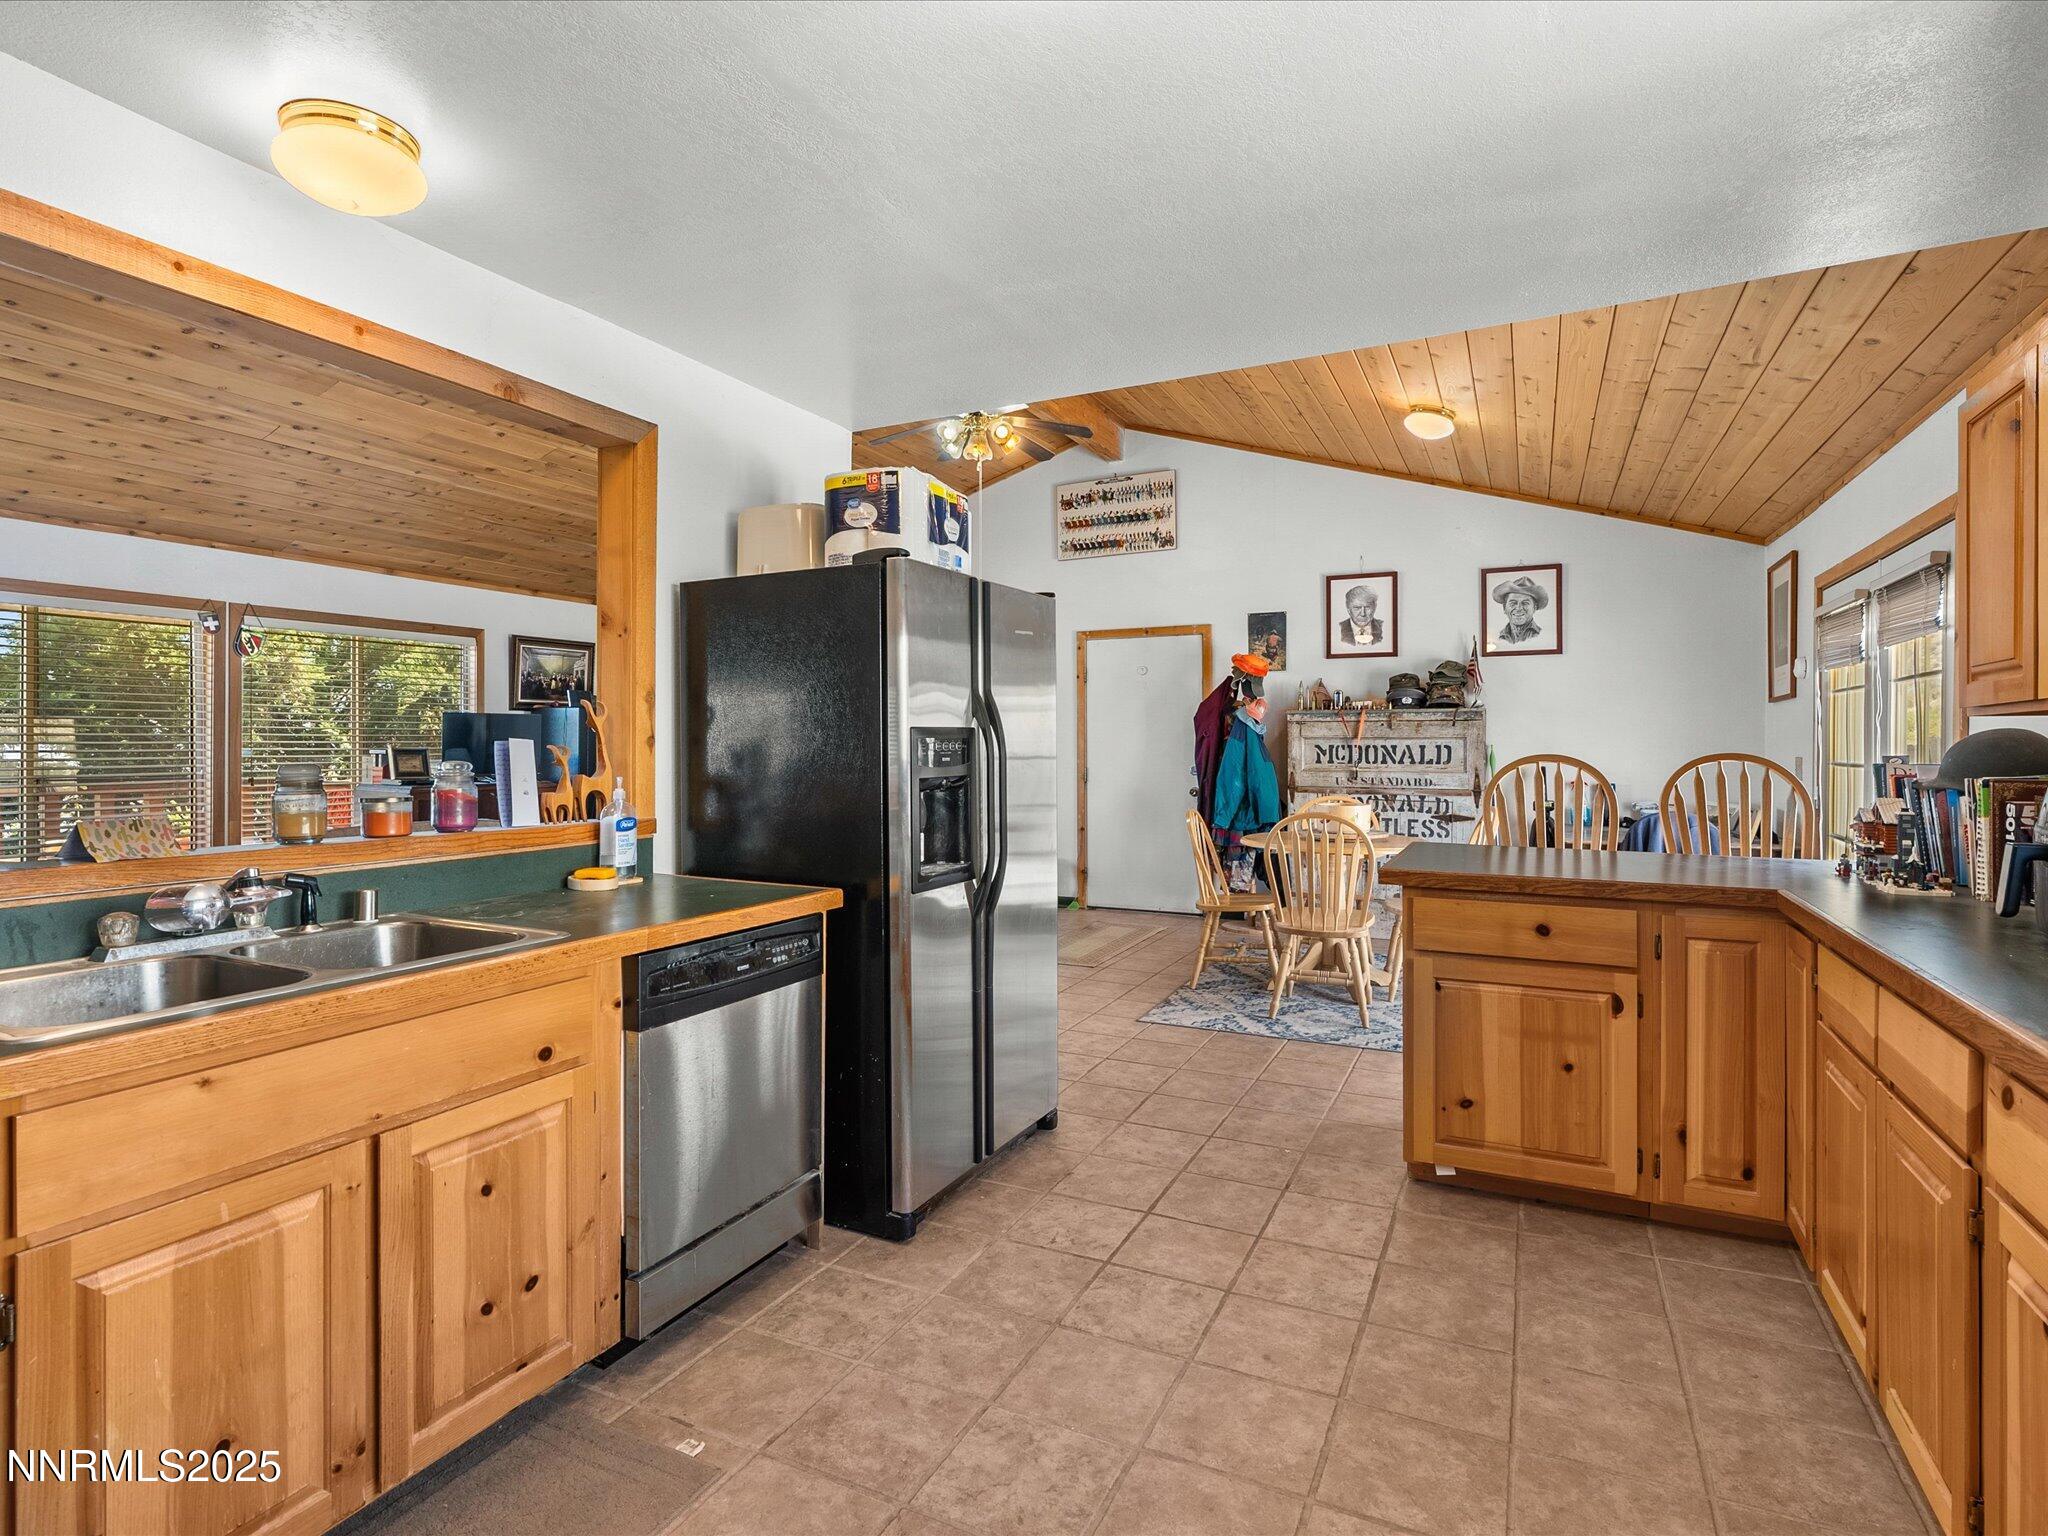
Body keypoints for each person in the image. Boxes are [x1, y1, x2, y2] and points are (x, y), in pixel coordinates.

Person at [1491, 575, 1548, 645]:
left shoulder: (1542, 636)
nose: (1518, 608)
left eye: (1525, 603)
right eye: (1513, 603)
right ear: (1504, 608)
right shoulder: (1498, 638)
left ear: (1534, 607)